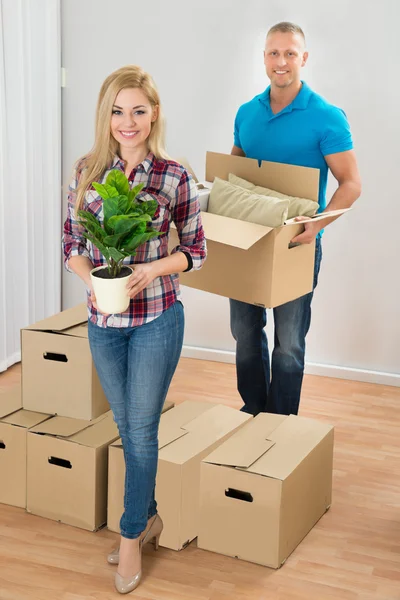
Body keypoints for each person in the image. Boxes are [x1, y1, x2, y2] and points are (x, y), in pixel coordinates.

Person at [62, 65, 206, 595]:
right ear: (106, 116)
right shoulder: (86, 171)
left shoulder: (174, 176)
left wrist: (151, 269)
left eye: (139, 111)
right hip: (103, 320)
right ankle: (149, 517)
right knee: (128, 430)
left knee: (141, 433)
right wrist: (96, 280)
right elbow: (71, 244)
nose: (128, 122)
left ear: (154, 114)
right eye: (118, 111)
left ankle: (128, 539)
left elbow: (196, 252)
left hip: (156, 319)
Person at [230, 22, 361, 417]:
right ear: (264, 59)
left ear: (303, 59)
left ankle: (279, 421)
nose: (281, 61)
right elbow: (233, 173)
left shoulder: (326, 117)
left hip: (295, 244)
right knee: (245, 333)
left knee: (289, 342)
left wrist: (316, 226)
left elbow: (351, 184)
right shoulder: (246, 113)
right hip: (247, 240)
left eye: (290, 53)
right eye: (273, 53)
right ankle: (253, 409)